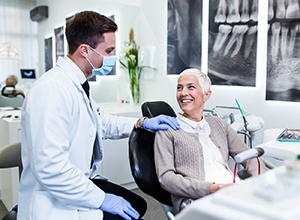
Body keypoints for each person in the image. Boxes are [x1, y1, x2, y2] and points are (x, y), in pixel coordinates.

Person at [17, 11, 179, 220]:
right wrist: (103, 200)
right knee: (130, 215)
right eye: (109, 50)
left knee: (137, 204)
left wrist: (142, 122)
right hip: (53, 199)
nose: (112, 57)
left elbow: (100, 121)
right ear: (85, 50)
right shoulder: (52, 90)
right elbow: (51, 168)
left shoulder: (76, 84)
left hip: (76, 183)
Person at [154, 68, 266, 214]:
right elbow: (166, 178)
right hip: (196, 199)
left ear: (206, 95)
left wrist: (262, 180)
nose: (183, 93)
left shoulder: (219, 124)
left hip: (232, 190)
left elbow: (249, 156)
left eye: (191, 87)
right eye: (179, 88)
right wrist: (211, 188)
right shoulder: (167, 130)